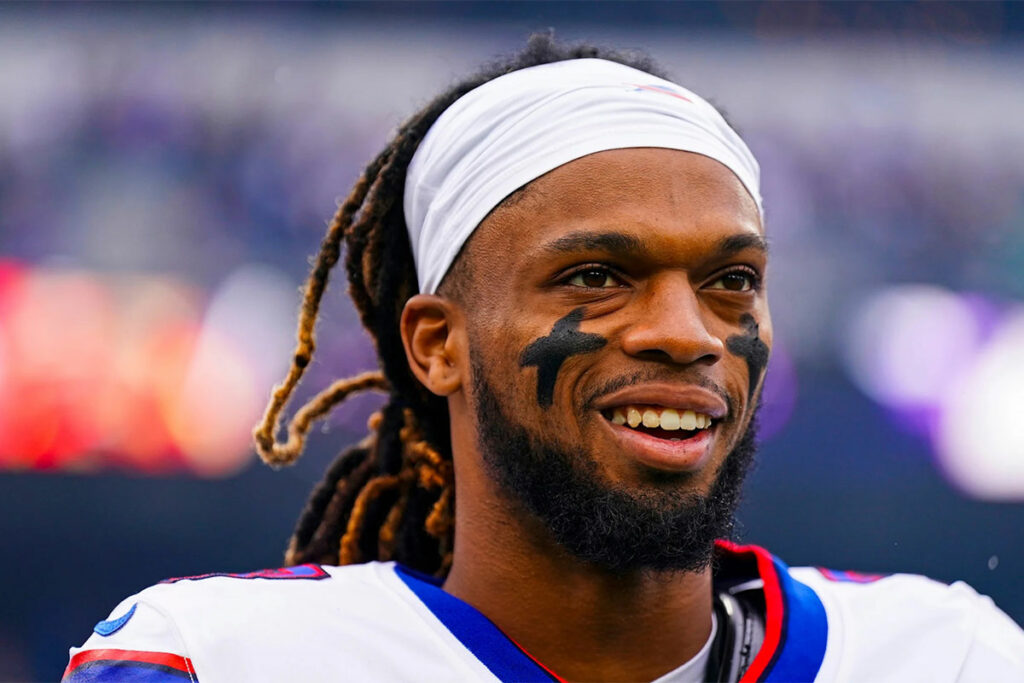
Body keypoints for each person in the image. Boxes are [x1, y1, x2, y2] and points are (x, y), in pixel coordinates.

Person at [64, 35, 1024, 683]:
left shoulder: (955, 656)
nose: (686, 332)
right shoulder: (210, 662)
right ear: (436, 343)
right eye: (599, 275)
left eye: (732, 279)